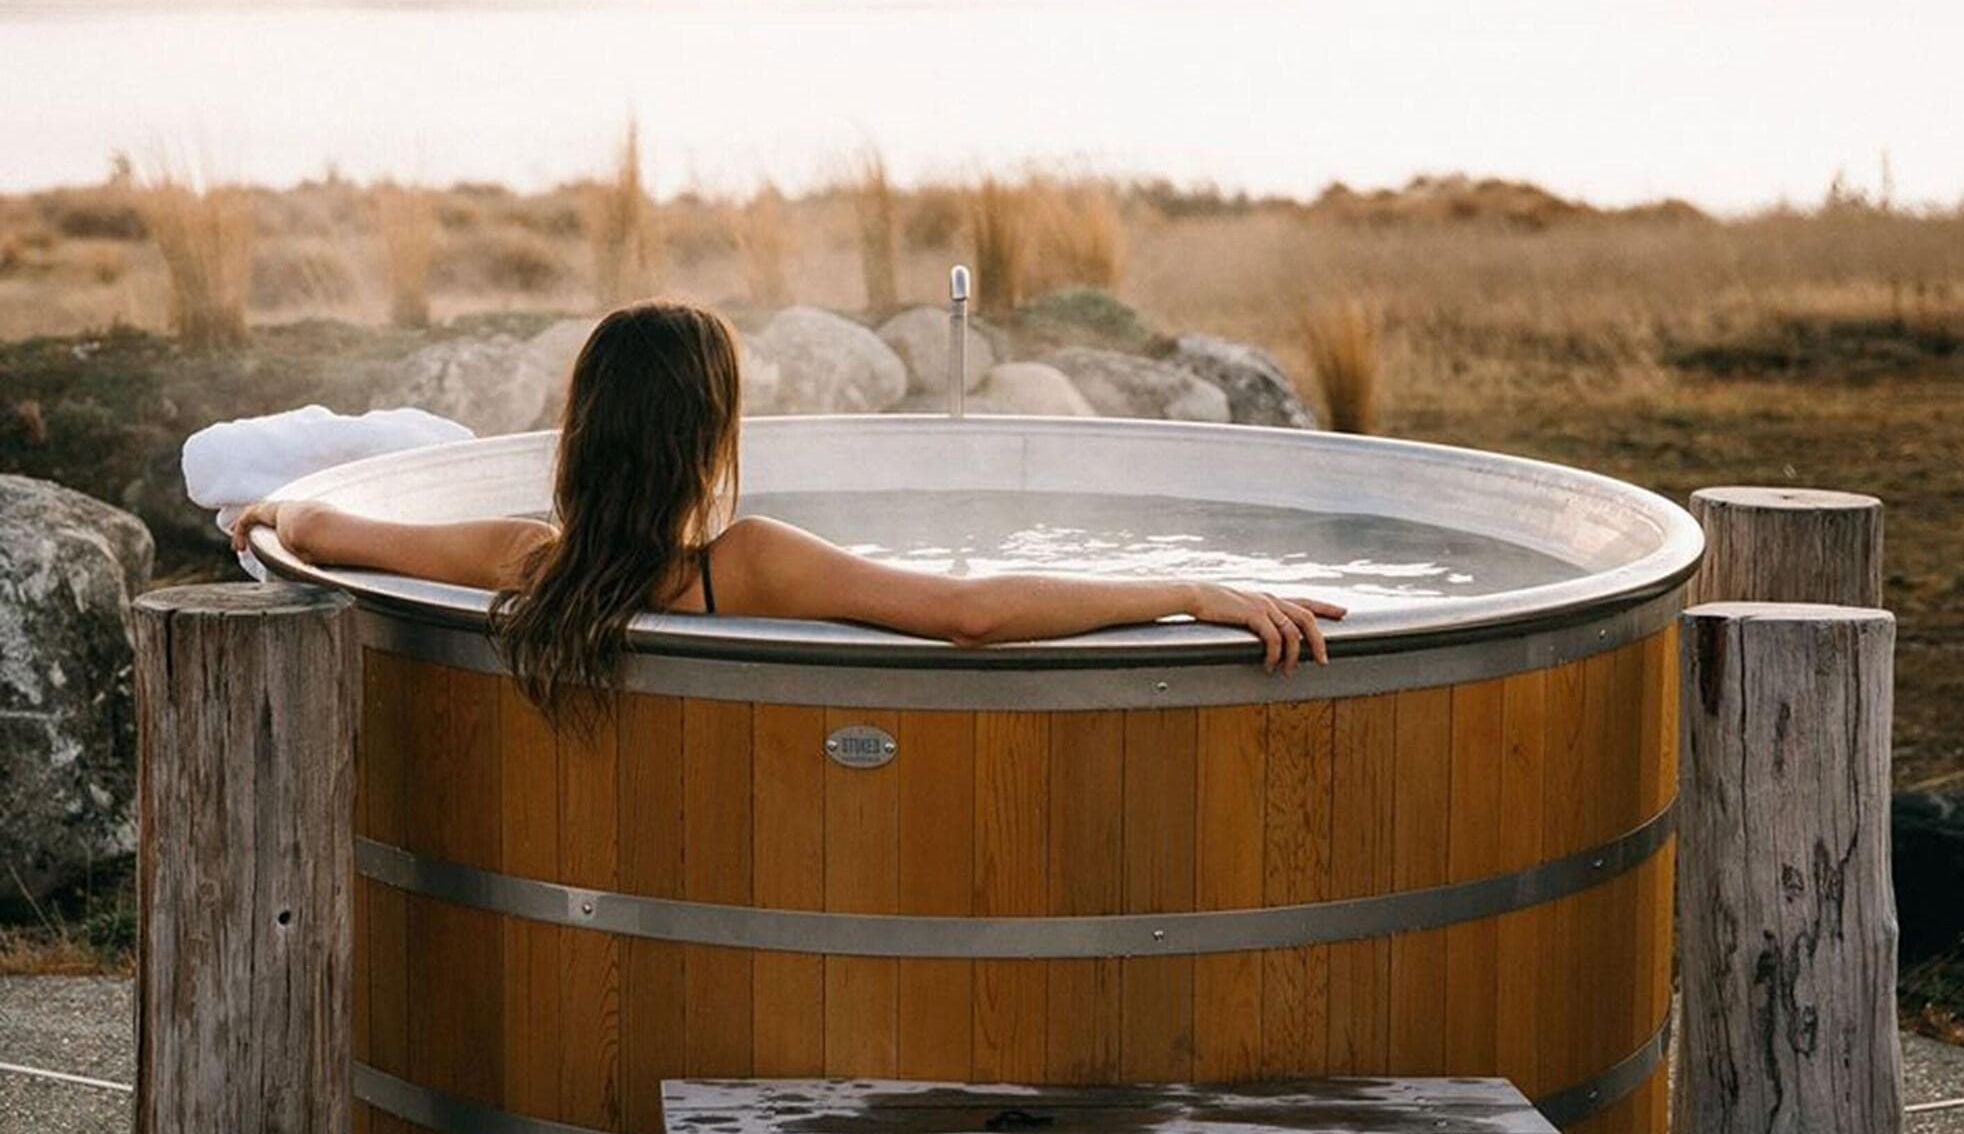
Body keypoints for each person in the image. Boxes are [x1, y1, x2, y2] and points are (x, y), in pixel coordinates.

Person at [231, 301, 1345, 728]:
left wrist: (273, 506)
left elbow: (330, 532)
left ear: (584, 429)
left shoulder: (527, 558)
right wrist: (1189, 591)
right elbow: (962, 612)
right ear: (707, 434)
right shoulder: (747, 563)